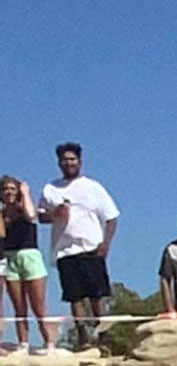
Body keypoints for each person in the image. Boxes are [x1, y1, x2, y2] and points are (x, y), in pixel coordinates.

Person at [39, 142, 118, 351]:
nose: (68, 163)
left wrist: (106, 244)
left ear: (80, 161)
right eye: (64, 160)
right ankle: (83, 336)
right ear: (59, 163)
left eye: (72, 159)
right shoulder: (51, 188)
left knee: (97, 295)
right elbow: (40, 216)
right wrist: (54, 214)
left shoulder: (93, 187)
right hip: (65, 249)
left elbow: (112, 217)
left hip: (91, 247)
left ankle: (103, 336)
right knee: (74, 296)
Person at [0, 174, 57, 351]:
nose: (8, 192)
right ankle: (23, 342)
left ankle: (49, 342)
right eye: (5, 189)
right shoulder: (1, 214)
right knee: (19, 306)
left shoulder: (23, 208)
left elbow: (32, 216)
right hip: (10, 257)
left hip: (30, 255)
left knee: (38, 305)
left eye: (12, 189)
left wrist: (25, 193)